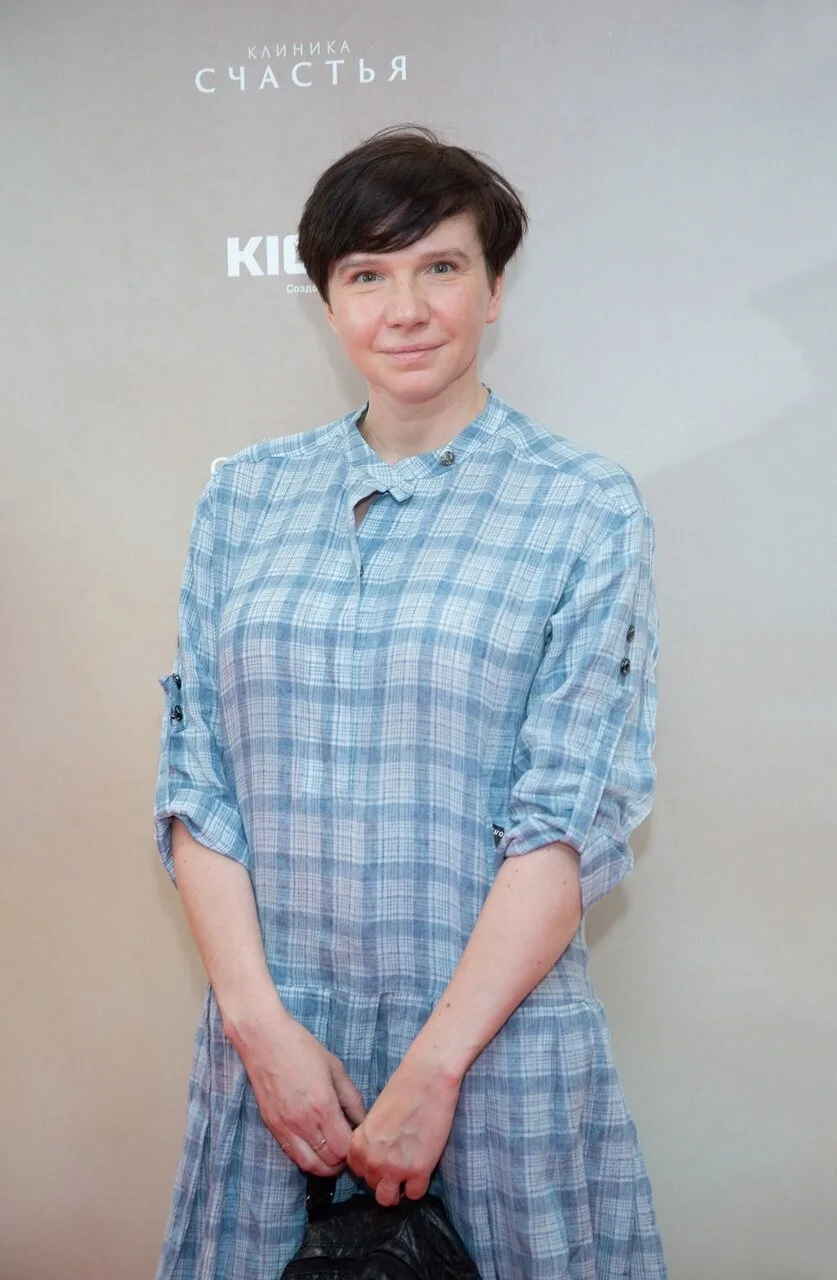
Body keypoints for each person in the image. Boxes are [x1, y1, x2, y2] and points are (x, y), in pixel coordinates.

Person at [154, 125, 666, 1279]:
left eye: (441, 266)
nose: (406, 308)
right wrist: (260, 1030)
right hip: (279, 1067)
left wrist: (434, 1067)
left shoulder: (583, 506)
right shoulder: (243, 497)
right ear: (329, 302)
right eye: (367, 275)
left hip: (492, 1055)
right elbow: (197, 785)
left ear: (494, 288)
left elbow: (568, 818)